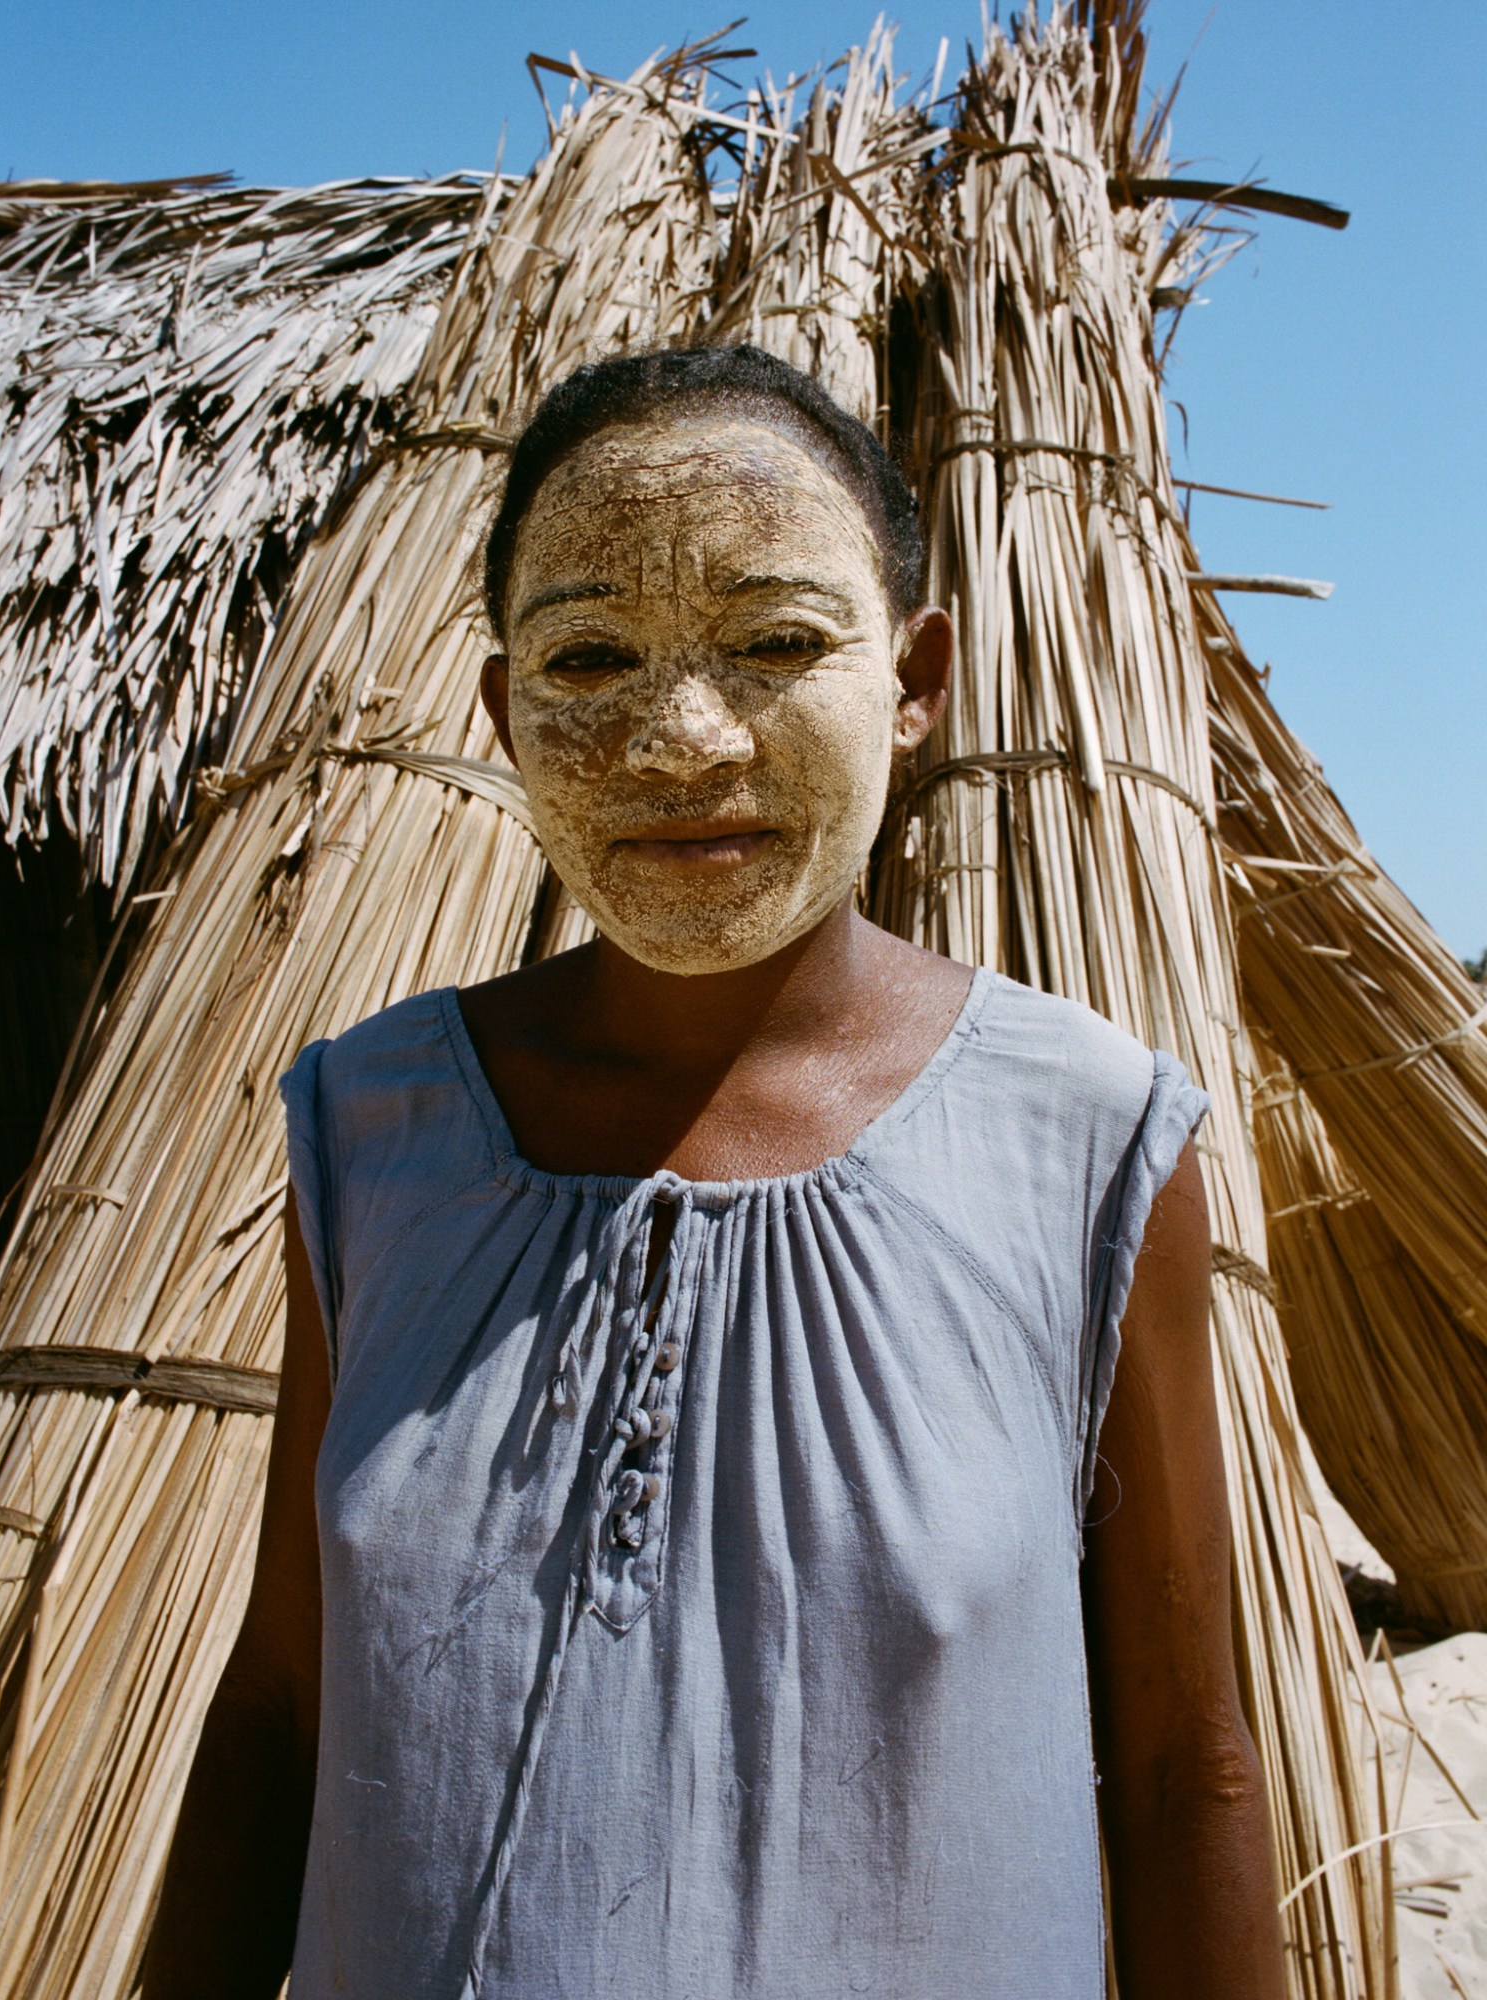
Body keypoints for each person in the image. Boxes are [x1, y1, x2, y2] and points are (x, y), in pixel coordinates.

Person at [146, 344, 1284, 2000]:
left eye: (773, 644)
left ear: (916, 678)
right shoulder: (371, 1130)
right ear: (497, 710)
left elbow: (1189, 1769)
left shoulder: (1093, 1144)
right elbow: (279, 1716)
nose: (681, 742)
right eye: (592, 657)